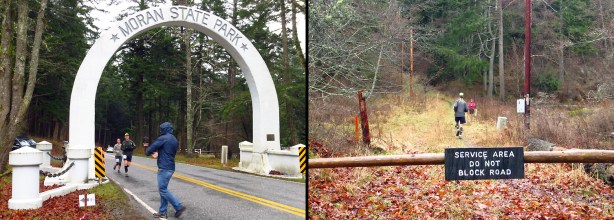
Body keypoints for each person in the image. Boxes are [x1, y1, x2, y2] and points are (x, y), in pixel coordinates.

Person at [146, 122, 187, 219]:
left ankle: (178, 206)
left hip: (164, 167)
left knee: (162, 189)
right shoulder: (174, 139)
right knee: (163, 189)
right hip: (171, 167)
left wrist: (151, 152)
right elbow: (167, 152)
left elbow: (149, 150)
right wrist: (159, 153)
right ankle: (162, 212)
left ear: (163, 129)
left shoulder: (163, 138)